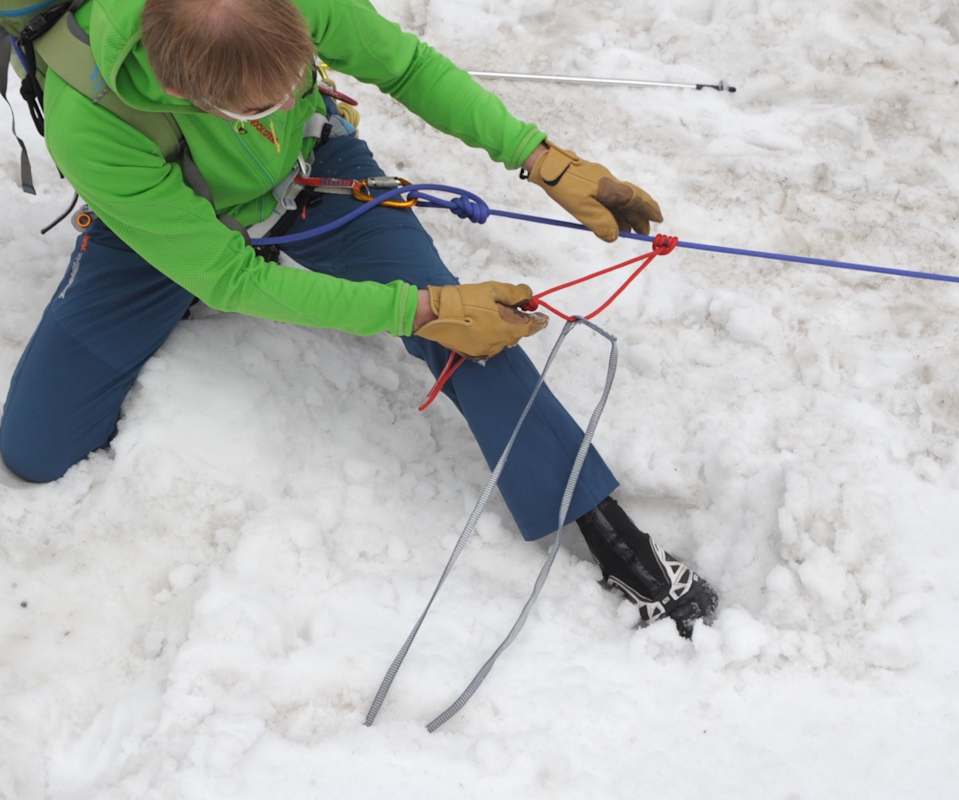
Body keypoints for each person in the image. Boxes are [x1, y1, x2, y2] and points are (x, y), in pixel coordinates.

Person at [0, 0, 717, 636]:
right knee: (36, 447)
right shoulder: (89, 118)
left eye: (294, 78)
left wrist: (542, 159)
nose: (281, 100)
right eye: (259, 107)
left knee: (471, 329)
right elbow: (227, 276)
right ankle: (167, 253)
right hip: (177, 223)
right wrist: (419, 308)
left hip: (316, 174)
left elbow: (404, 66)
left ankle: (605, 527)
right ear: (182, 90)